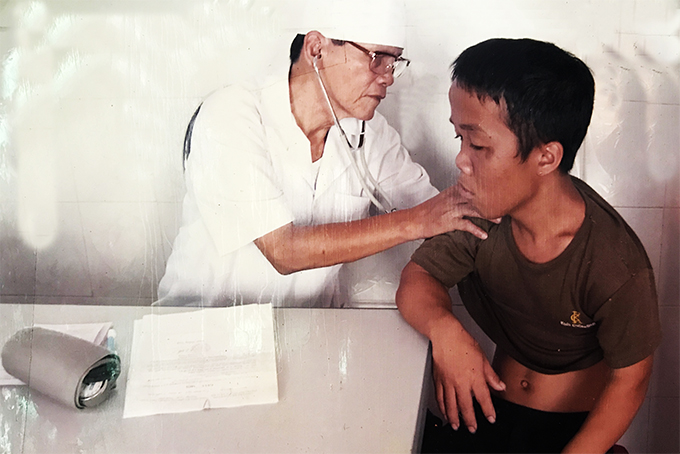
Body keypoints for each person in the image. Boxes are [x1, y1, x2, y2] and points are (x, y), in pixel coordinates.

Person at [396, 38, 662, 453]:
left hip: (570, 431)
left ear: (546, 158)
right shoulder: (481, 210)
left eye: (478, 145)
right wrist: (445, 332)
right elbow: (418, 277)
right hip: (491, 413)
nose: (461, 160)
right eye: (458, 138)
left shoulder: (614, 264)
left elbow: (631, 378)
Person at [156, 1, 489, 307]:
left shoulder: (371, 134)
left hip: (309, 333)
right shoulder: (232, 112)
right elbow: (283, 251)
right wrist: (416, 221)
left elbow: (442, 213)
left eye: (394, 63)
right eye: (377, 59)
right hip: (202, 329)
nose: (388, 77)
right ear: (316, 49)